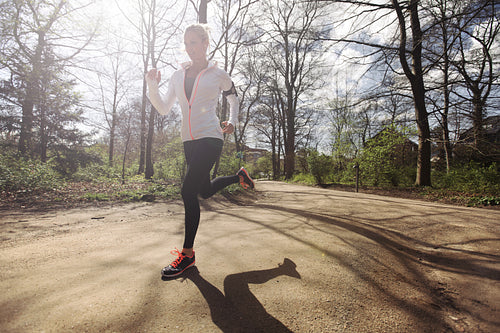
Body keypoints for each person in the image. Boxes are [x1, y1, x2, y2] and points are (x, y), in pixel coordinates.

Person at [145, 24, 254, 278]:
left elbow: (233, 97)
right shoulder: (176, 76)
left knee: (187, 191)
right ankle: (239, 176)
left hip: (211, 137)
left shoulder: (217, 74)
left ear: (205, 43)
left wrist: (232, 121)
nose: (190, 47)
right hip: (189, 141)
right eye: (186, 43)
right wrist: (152, 84)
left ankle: (188, 256)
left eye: (194, 42)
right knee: (204, 191)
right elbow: (162, 107)